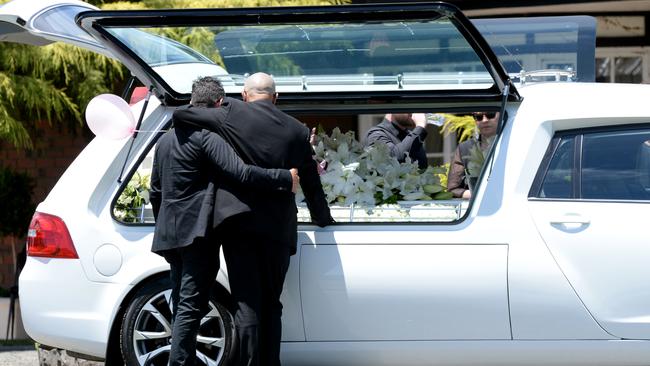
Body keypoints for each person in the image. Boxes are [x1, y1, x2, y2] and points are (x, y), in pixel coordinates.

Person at [173, 72, 333, 366]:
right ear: (276, 97)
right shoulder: (297, 130)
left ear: (245, 95)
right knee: (272, 304)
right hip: (278, 229)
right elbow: (310, 181)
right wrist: (323, 218)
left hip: (238, 226)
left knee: (246, 303)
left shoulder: (231, 113)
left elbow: (183, 113)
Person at [149, 76, 299, 366]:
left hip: (169, 235)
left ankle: (185, 361)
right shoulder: (207, 138)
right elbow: (241, 172)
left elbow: (156, 190)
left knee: (183, 303)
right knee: (191, 306)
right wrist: (284, 178)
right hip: (196, 235)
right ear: (219, 104)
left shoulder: (165, 140)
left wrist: (164, 224)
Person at [447, 111, 499, 199]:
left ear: (501, 115)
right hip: (475, 208)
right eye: (479, 117)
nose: (484, 120)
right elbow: (453, 189)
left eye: (490, 115)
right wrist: (479, 195)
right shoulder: (465, 148)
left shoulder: (512, 144)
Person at [364, 112, 429, 169]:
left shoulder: (411, 136)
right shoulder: (376, 134)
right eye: (408, 104)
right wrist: (420, 126)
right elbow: (392, 159)